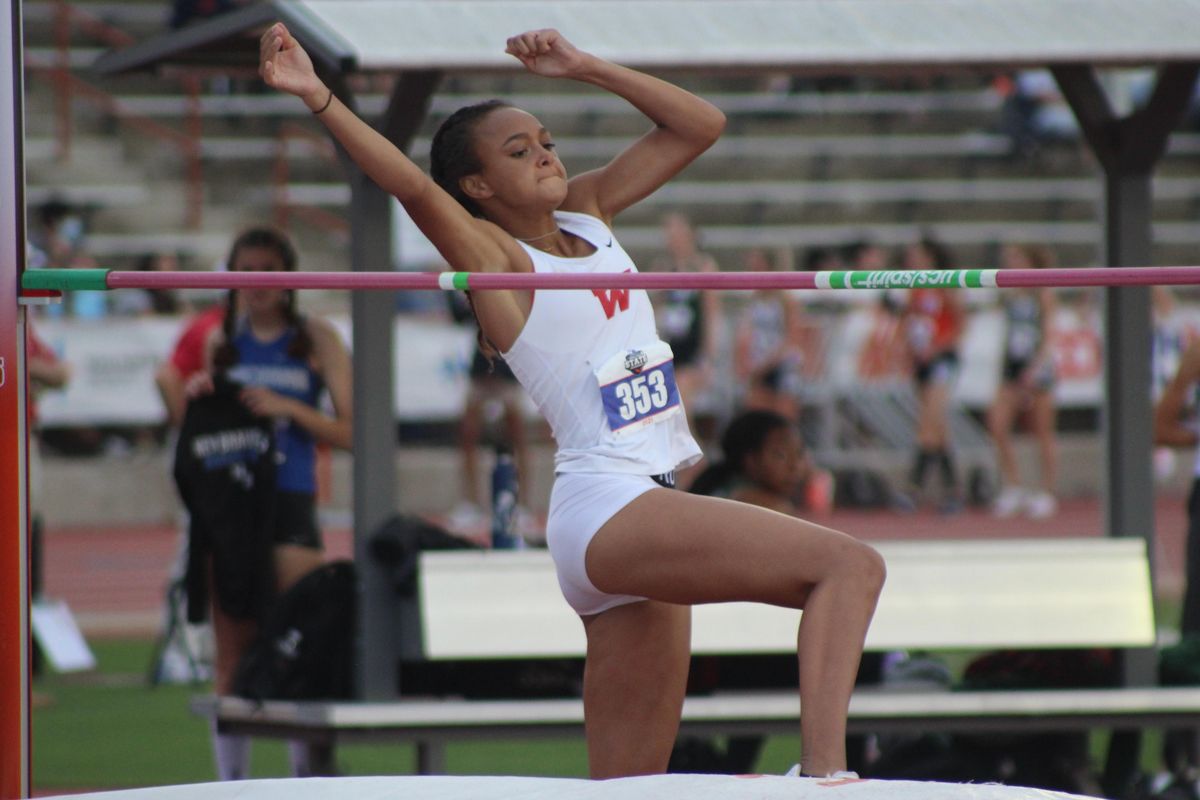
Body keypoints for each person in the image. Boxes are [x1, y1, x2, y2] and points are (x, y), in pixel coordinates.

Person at [260, 24, 884, 779]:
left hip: (635, 510)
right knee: (849, 567)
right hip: (608, 503)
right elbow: (412, 186)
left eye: (545, 141)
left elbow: (700, 124)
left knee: (628, 785)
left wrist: (586, 66)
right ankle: (826, 777)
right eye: (518, 153)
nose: (546, 156)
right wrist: (317, 96)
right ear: (480, 189)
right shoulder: (494, 258)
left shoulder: (590, 211)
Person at [184, 226, 353, 780]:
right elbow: (205, 428)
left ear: (290, 279)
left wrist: (288, 407)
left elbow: (354, 430)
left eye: (269, 271)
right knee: (232, 652)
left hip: (291, 499)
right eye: (245, 271)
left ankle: (304, 782)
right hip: (233, 509)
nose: (257, 283)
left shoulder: (316, 338)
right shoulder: (221, 343)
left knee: (293, 646)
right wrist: (202, 399)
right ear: (230, 278)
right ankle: (230, 786)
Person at [445, 289, 535, 541]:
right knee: (467, 436)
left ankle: (522, 504)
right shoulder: (477, 288)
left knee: (518, 438)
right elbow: (459, 315)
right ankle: (470, 503)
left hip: (508, 369)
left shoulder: (513, 291)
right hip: (481, 371)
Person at [986, 243, 1059, 519]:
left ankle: (1047, 492)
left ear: (1030, 262)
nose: (1010, 265)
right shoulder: (1009, 293)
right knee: (997, 424)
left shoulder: (1043, 292)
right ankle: (1013, 486)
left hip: (1038, 369)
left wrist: (1036, 368)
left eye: (1016, 259)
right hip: (1012, 368)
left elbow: (1049, 334)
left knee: (1042, 432)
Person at [897, 235, 965, 514]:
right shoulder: (913, 288)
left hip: (941, 360)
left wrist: (936, 348)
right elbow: (907, 323)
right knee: (937, 430)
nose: (912, 260)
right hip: (921, 361)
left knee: (929, 426)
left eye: (917, 255)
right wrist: (909, 352)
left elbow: (960, 327)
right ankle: (953, 491)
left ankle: (913, 488)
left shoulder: (945, 285)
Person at [650, 213, 721, 427]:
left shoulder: (703, 266)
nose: (672, 237)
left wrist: (708, 358)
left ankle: (694, 457)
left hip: (693, 349)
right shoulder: (663, 267)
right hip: (671, 346)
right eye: (669, 232)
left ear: (690, 234)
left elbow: (711, 313)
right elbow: (655, 308)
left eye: (677, 231)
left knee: (681, 406)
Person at [733, 247, 806, 422]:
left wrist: (767, 364)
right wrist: (746, 365)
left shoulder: (786, 300)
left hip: (781, 364)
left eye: (758, 269)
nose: (754, 274)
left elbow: (793, 339)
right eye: (752, 270)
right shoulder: (752, 302)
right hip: (759, 365)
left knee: (783, 420)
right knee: (757, 420)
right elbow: (745, 336)